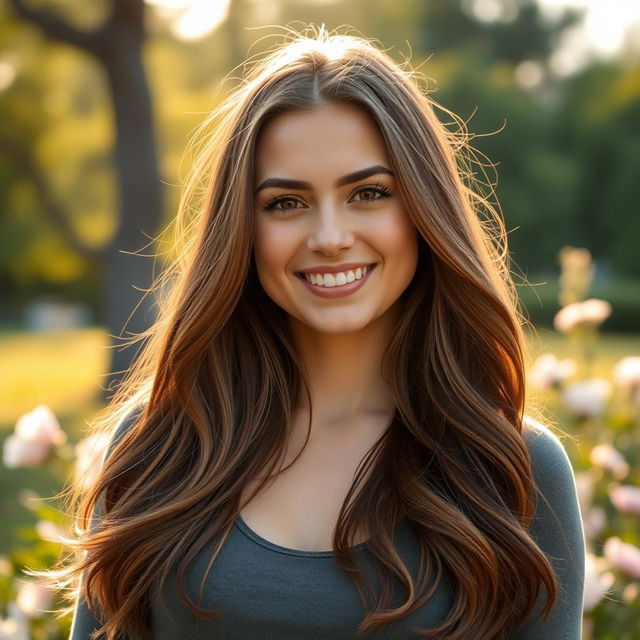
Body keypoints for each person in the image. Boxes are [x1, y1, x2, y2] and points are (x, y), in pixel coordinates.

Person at [46, 25, 585, 640]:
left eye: (368, 193)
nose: (329, 236)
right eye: (286, 203)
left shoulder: (512, 465)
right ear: (242, 230)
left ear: (423, 211)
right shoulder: (161, 444)